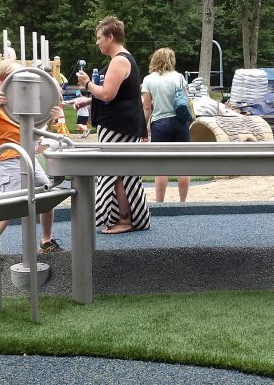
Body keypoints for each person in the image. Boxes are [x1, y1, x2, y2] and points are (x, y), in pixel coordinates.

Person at [0, 60, 62, 270]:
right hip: (9, 158)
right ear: (4, 80)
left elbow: (35, 129)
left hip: (28, 157)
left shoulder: (23, 101)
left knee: (47, 196)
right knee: (11, 206)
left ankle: (46, 241)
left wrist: (50, 118)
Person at [75, 16, 150, 234]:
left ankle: (125, 221)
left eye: (99, 37)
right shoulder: (124, 60)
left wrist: (87, 84)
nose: (97, 42)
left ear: (110, 37)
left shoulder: (119, 61)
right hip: (123, 124)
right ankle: (127, 218)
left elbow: (108, 94)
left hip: (118, 127)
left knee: (116, 173)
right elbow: (123, 96)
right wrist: (89, 99)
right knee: (122, 173)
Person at [141, 47, 191, 202]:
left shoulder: (148, 80)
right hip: (179, 122)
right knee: (183, 165)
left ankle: (160, 203)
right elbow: (185, 100)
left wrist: (143, 128)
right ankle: (183, 202)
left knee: (161, 167)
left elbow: (147, 107)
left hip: (160, 123)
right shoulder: (179, 77)